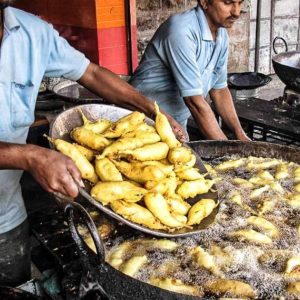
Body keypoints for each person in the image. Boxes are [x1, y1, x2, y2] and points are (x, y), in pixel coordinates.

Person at [0, 1, 187, 286]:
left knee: (15, 287)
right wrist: (29, 156)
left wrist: (151, 111)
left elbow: (92, 74)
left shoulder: (29, 31)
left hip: (7, 215)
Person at [130, 0, 250, 141]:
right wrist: (229, 151)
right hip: (140, 124)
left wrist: (241, 136)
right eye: (228, 3)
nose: (236, 12)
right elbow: (194, 102)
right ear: (204, 2)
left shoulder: (221, 35)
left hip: (176, 126)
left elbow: (219, 90)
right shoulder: (181, 30)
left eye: (240, 3)